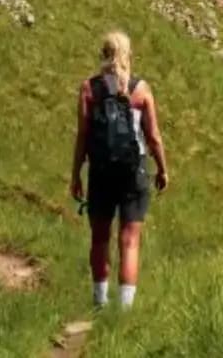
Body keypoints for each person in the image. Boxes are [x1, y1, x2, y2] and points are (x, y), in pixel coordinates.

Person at [70, 30, 167, 311]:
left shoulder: (89, 89)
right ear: (129, 55)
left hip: (100, 171)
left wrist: (76, 173)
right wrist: (162, 169)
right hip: (133, 170)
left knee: (99, 238)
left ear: (103, 54)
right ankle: (124, 311)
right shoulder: (141, 89)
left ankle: (99, 304)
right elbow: (154, 136)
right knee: (130, 240)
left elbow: (83, 135)